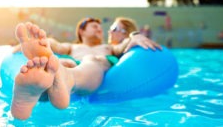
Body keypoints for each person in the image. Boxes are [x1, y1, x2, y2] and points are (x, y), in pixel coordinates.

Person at [11, 18, 161, 120]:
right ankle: (36, 91)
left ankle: (63, 79)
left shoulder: (108, 47)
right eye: (94, 26)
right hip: (75, 65)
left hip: (97, 64)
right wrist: (43, 43)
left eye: (101, 28)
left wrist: (134, 36)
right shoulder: (73, 46)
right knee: (63, 63)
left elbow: (124, 45)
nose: (100, 30)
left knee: (89, 59)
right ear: (81, 31)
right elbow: (58, 46)